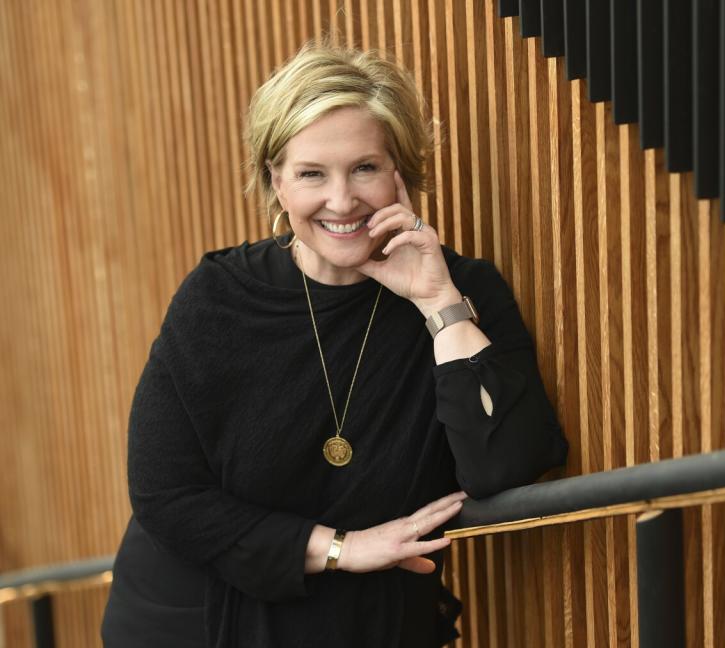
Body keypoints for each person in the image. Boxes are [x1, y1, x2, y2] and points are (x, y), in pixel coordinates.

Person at [101, 42, 567, 647]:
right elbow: (165, 492)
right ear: (278, 183)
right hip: (200, 620)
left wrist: (436, 306)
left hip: (365, 625)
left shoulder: (462, 291)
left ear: (402, 171)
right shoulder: (217, 299)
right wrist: (343, 547)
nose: (342, 201)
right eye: (312, 173)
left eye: (365, 168)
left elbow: (504, 469)